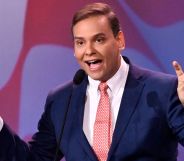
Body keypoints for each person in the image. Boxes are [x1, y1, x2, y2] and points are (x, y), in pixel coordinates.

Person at [0, 2, 184, 161]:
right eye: (80, 42)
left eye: (99, 40)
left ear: (119, 40)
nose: (88, 50)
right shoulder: (61, 100)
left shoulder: (162, 90)